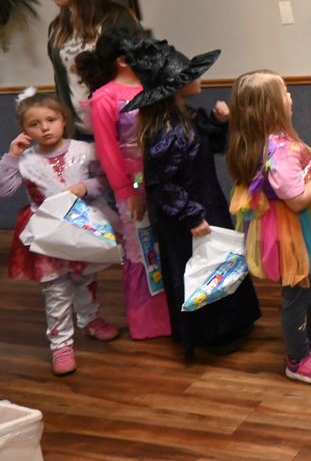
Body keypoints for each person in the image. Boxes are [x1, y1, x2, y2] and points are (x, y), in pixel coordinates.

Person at [126, 39, 261, 359]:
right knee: (200, 267)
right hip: (190, 216)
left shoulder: (184, 119)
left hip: (206, 203)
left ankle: (233, 323)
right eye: (191, 75)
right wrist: (190, 215)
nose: (199, 78)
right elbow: (160, 184)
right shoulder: (167, 131)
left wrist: (219, 122)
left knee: (220, 261)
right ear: (176, 86)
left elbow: (207, 145)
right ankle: (214, 333)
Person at [227, 70, 311, 384]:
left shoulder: (269, 143)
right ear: (270, 108)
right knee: (296, 293)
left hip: (290, 226)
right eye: (284, 92)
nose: (290, 96)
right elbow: (296, 200)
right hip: (290, 230)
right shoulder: (280, 152)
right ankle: (297, 358)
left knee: (302, 286)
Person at [0, 90, 120, 376]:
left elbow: (105, 180)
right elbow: (3, 190)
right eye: (35, 124)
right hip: (47, 232)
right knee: (56, 288)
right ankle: (60, 343)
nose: (44, 127)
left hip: (82, 224)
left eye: (51, 119)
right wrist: (12, 157)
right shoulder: (25, 161)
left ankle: (90, 318)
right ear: (24, 130)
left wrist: (86, 188)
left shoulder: (84, 150)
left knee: (85, 277)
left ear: (63, 120)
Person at [76, 27, 172, 340]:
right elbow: (107, 150)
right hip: (133, 181)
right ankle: (151, 321)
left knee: (170, 243)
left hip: (164, 174)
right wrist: (126, 191)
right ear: (122, 60)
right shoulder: (104, 99)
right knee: (143, 250)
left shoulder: (151, 85)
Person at [45, 0, 139, 137]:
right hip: (79, 131)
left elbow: (139, 68)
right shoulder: (57, 27)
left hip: (121, 129)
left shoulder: (117, 18)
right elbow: (61, 80)